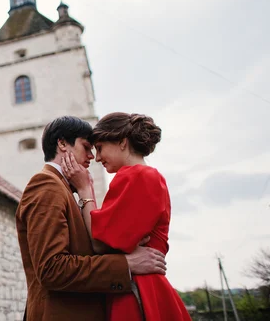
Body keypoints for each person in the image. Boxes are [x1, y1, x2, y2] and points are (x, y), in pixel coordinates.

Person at [16, 116, 168, 321]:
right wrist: (126, 264)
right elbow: (52, 269)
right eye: (86, 147)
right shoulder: (46, 185)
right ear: (62, 143)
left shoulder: (64, 189)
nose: (91, 156)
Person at [61, 112, 191, 321]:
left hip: (137, 290)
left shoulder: (135, 176)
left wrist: (85, 189)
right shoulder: (150, 177)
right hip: (143, 286)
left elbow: (99, 242)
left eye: (101, 148)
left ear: (122, 142)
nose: (98, 157)